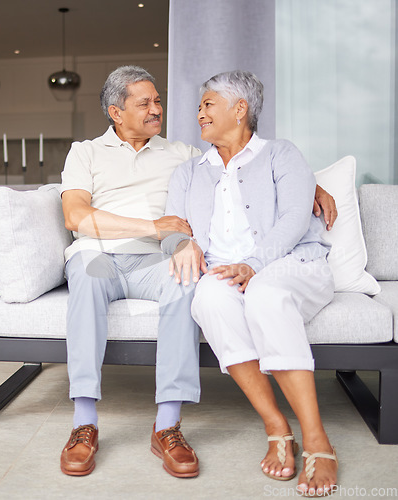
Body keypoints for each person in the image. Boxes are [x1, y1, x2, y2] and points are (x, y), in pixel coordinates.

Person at [59, 65, 336, 480]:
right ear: (116, 112)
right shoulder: (86, 152)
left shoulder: (182, 155)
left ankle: (168, 425)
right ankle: (84, 421)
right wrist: (153, 228)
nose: (158, 109)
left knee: (188, 280)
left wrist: (310, 184)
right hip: (100, 254)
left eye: (158, 100)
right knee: (85, 272)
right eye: (145, 103)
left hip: (158, 260)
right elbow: (75, 216)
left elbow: (237, 164)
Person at [163, 70, 338, 497]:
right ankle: (277, 426)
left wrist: (255, 265)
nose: (198, 112)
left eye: (208, 104)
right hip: (225, 270)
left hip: (292, 264)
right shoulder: (189, 172)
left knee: (264, 293)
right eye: (200, 105)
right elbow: (172, 226)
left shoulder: (281, 154)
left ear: (239, 109)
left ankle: (317, 439)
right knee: (207, 301)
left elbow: (297, 218)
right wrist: (183, 242)